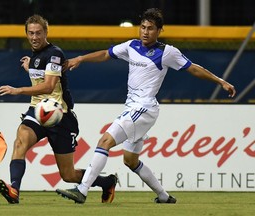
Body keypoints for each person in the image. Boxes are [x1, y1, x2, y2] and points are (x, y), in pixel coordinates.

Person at [56, 8, 236, 204]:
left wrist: (221, 81)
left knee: (104, 142)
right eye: (142, 27)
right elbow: (106, 54)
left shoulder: (166, 52)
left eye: (150, 28)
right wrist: (81, 58)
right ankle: (164, 196)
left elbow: (193, 68)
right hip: (133, 109)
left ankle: (82, 190)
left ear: (159, 30)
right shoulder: (131, 46)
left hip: (144, 108)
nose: (145, 32)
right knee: (130, 160)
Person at [0, 14, 117, 204]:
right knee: (20, 141)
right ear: (26, 34)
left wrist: (17, 90)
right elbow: (41, 77)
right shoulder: (35, 55)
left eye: (38, 33)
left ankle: (106, 181)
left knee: (68, 174)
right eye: (30, 33)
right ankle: (14, 190)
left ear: (46, 32)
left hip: (59, 116)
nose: (34, 37)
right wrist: (30, 68)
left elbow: (49, 86)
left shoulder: (54, 54)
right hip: (37, 110)